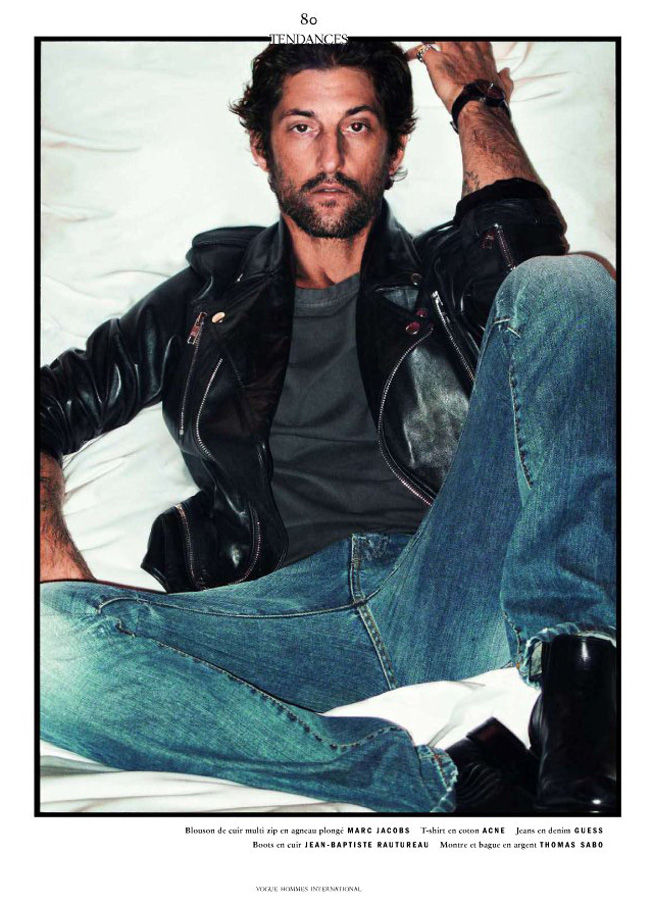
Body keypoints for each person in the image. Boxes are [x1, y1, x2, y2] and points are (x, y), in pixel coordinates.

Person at [40, 40, 617, 814]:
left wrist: (475, 101)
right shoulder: (203, 302)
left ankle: (582, 692)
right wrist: (58, 564)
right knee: (37, 644)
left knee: (570, 281)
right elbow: (39, 406)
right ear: (262, 148)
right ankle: (451, 781)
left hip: (449, 579)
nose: (331, 157)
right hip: (283, 623)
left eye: (358, 126)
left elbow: (544, 289)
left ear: (395, 151)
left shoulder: (447, 276)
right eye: (302, 127)